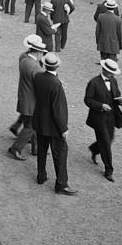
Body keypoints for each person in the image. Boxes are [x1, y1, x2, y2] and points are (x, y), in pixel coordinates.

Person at [32, 53, 77, 195]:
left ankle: (41, 175)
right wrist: (63, 129)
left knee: (42, 150)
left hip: (40, 121)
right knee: (61, 153)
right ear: (57, 65)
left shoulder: (38, 77)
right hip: (53, 126)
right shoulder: (56, 84)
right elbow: (58, 110)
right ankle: (61, 184)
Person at [84, 59, 122, 182]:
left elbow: (116, 94)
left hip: (111, 116)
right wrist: (101, 105)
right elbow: (88, 100)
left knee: (110, 139)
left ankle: (94, 148)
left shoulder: (113, 80)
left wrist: (120, 100)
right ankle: (109, 170)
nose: (112, 75)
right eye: (110, 72)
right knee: (106, 142)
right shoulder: (94, 83)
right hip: (98, 117)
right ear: (104, 70)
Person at [8, 35, 45, 160]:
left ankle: (35, 148)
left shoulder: (23, 58)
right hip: (32, 100)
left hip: (24, 95)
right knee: (31, 126)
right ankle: (16, 148)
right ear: (38, 52)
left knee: (31, 123)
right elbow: (41, 83)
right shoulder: (35, 67)